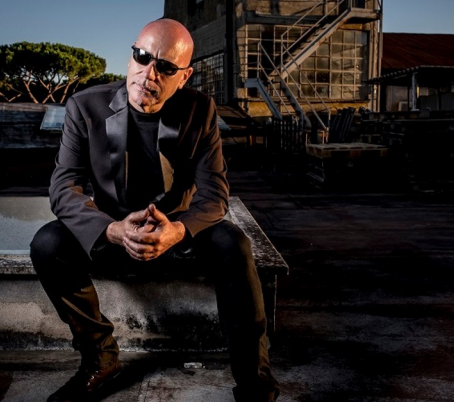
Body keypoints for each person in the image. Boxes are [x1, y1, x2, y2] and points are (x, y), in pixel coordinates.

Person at [29, 18, 280, 402]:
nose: (149, 74)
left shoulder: (200, 109)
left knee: (234, 243)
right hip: (113, 232)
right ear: (131, 56)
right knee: (48, 243)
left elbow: (214, 195)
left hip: (177, 232)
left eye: (164, 67)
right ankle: (100, 358)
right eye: (142, 57)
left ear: (184, 76)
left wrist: (177, 230)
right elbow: (64, 188)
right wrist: (112, 230)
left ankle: (254, 385)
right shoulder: (85, 106)